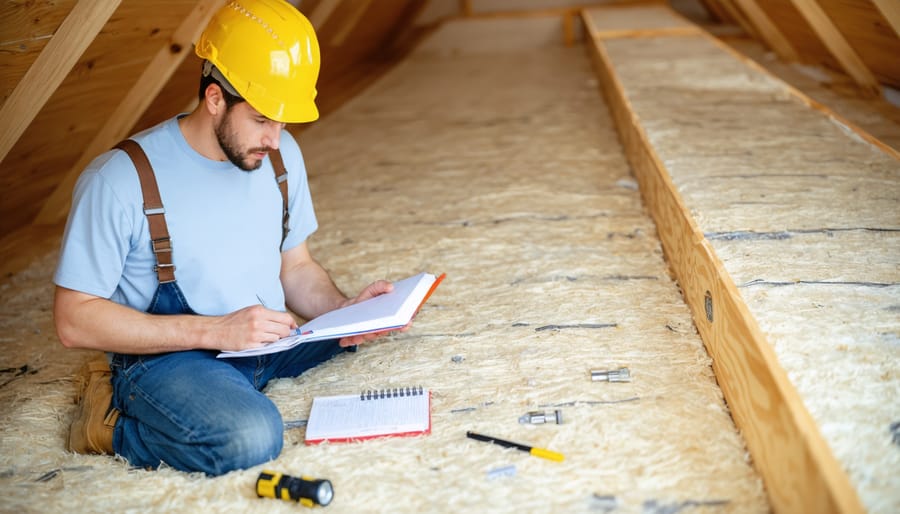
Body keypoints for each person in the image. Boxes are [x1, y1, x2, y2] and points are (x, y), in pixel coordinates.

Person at [53, 0, 399, 476]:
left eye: (283, 122)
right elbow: (73, 321)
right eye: (261, 120)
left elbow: (295, 267)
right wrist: (215, 331)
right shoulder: (121, 179)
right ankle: (108, 425)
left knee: (360, 342)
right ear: (215, 97)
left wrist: (347, 311)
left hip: (267, 340)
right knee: (252, 438)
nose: (276, 139)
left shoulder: (279, 157)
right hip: (176, 357)